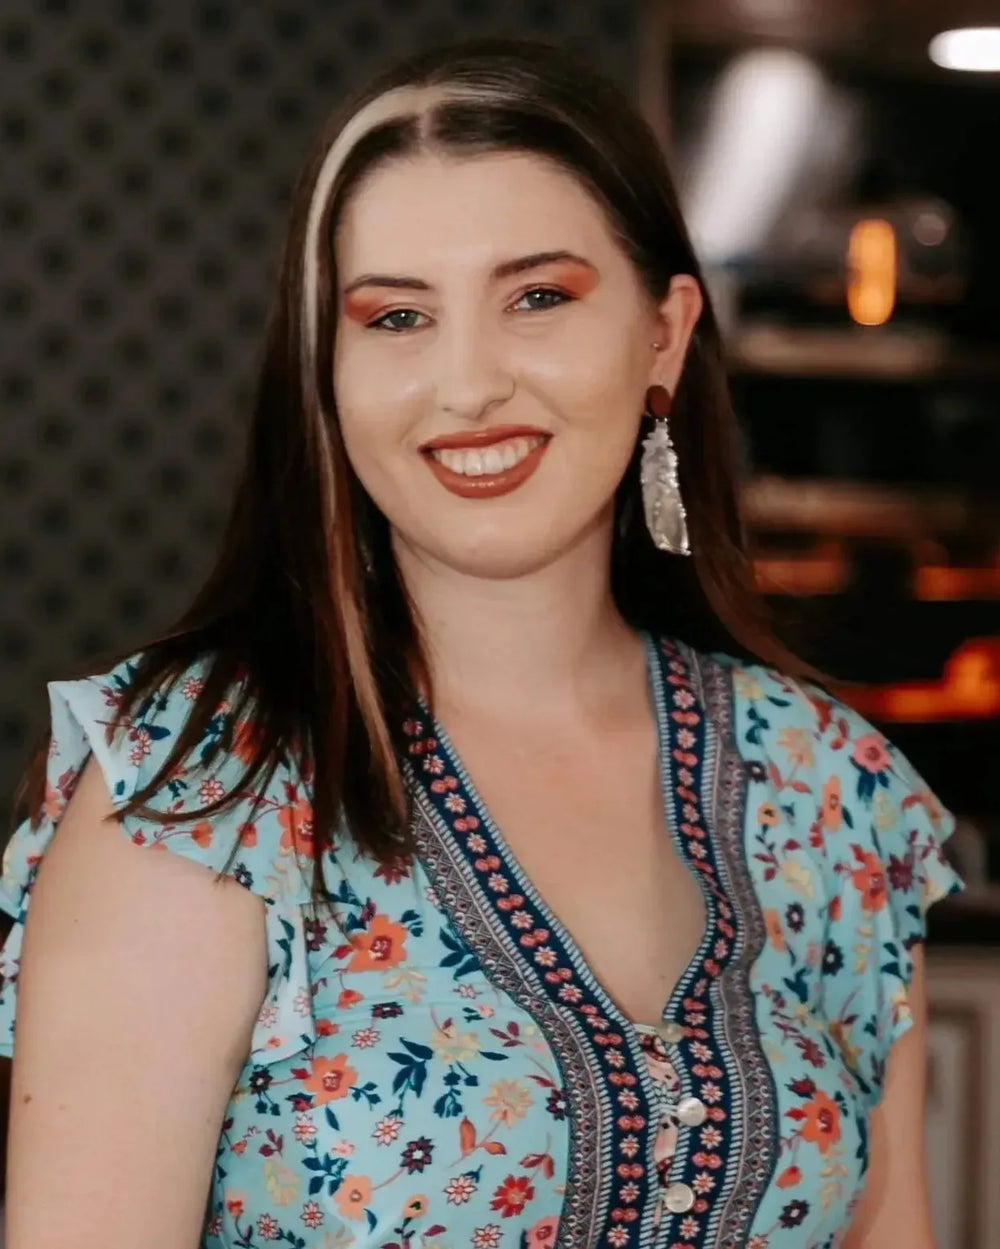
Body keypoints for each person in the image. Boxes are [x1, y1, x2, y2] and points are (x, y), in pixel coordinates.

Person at [0, 35, 962, 1249]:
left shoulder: (836, 793)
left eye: (538, 298)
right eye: (397, 316)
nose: (466, 384)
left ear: (664, 336)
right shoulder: (207, 787)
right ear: (328, 371)